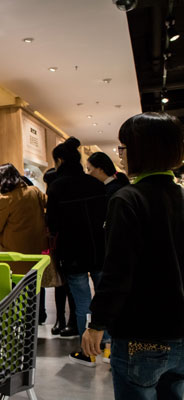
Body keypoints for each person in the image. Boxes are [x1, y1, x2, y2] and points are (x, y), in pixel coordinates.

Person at [82, 112, 184, 399]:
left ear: (141, 149)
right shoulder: (180, 197)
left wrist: (96, 324)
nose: (121, 155)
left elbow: (117, 271)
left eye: (123, 147)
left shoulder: (128, 199)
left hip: (141, 335)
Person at [46, 136, 109, 367]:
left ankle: (89, 353)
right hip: (100, 251)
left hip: (73, 254)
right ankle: (108, 349)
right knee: (104, 298)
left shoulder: (57, 187)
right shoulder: (94, 184)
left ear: (60, 161)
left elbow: (52, 224)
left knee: (83, 302)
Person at [0, 163, 48, 324]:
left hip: (14, 253)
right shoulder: (34, 191)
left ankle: (21, 317)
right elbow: (48, 205)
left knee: (16, 285)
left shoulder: (6, 199)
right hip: (36, 248)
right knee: (36, 283)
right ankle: (38, 315)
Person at [43, 167, 78, 338]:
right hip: (59, 245)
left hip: (62, 245)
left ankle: (68, 321)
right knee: (63, 283)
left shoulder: (57, 194)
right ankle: (64, 320)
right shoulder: (57, 194)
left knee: (66, 284)